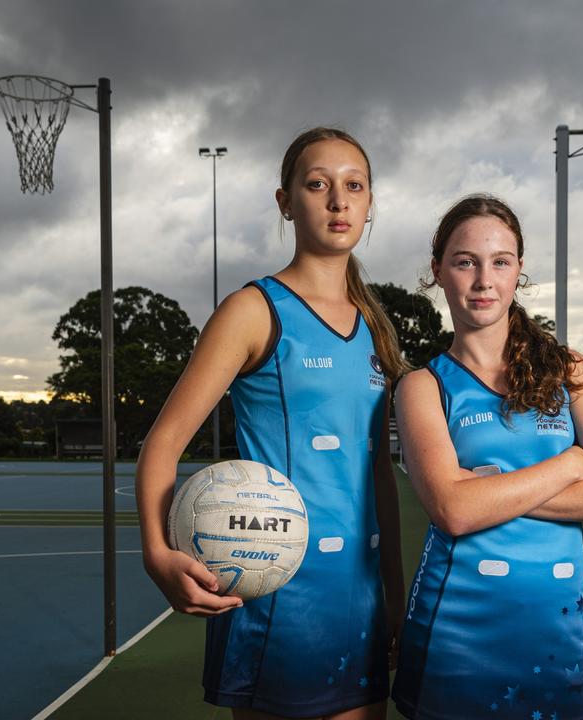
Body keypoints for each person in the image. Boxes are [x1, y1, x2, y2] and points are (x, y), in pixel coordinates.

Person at [136, 127, 406, 720]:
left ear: (368, 205)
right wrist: (157, 553)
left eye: (353, 186)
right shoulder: (253, 310)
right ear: (285, 202)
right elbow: (162, 444)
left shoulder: (375, 328)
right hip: (277, 593)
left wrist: (395, 596)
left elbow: (378, 474)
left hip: (358, 597)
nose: (338, 201)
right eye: (317, 185)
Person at [390, 194, 583, 720]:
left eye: (500, 262)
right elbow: (453, 512)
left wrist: (486, 490)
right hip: (457, 630)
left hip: (557, 632)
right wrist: (571, 465)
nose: (483, 280)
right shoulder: (421, 386)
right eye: (465, 262)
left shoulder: (570, 370)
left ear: (519, 271)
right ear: (438, 271)